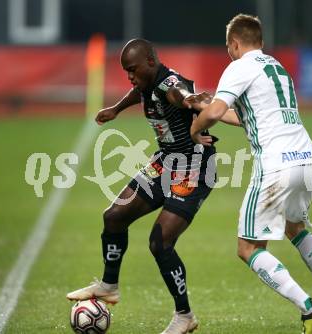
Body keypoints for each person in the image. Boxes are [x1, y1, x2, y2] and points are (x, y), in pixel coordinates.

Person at [186, 14, 312, 334]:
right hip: (307, 158)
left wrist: (197, 125)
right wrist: (212, 107)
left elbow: (216, 112)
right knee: (296, 228)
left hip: (276, 166)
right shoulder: (277, 67)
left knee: (248, 248)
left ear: (234, 44)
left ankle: (309, 308)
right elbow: (248, 117)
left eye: (229, 48)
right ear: (260, 41)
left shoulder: (238, 66)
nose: (229, 54)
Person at [67, 38, 217, 334]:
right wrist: (116, 108)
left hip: (194, 166)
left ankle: (185, 316)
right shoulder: (148, 83)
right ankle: (109, 286)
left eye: (133, 70)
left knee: (159, 242)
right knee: (113, 216)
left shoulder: (169, 83)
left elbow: (179, 94)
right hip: (166, 160)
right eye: (126, 72)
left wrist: (192, 100)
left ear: (151, 62)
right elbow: (141, 91)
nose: (129, 76)